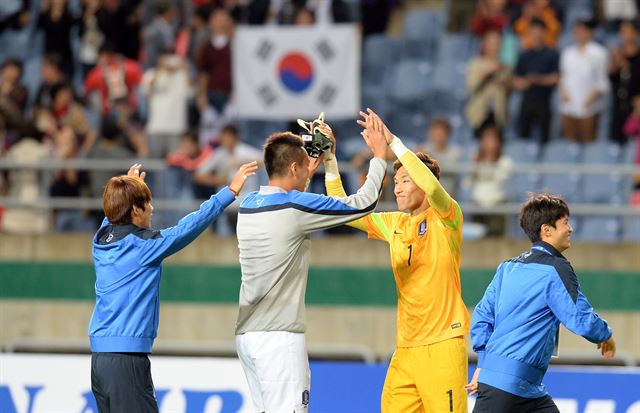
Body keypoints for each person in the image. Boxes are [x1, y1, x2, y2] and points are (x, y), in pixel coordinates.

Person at [235, 119, 388, 413]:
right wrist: (379, 157)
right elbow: (364, 204)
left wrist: (320, 156)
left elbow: (293, 182)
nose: (308, 169)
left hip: (247, 336)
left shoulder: (249, 203)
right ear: (294, 168)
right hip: (279, 339)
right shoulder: (295, 207)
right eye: (304, 166)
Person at [326, 109, 470, 413]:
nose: (397, 187)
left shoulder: (448, 217)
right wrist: (329, 160)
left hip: (442, 344)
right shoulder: (394, 223)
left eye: (406, 180)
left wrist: (392, 141)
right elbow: (341, 209)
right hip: (405, 349)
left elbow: (432, 188)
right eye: (396, 181)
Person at [89, 160, 258, 411]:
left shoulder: (101, 239)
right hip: (127, 360)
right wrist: (229, 193)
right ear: (135, 210)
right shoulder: (144, 247)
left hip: (100, 360)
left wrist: (128, 189)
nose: (152, 208)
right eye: (146, 203)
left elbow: (114, 215)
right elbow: (186, 228)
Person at [466, 193, 616, 413]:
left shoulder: (507, 268)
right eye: (565, 222)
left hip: (525, 388)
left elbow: (481, 318)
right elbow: (580, 319)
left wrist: (486, 364)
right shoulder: (556, 268)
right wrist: (605, 334)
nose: (570, 228)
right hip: (512, 388)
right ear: (547, 231)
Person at [559, 18, 609, 143]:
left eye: (582, 31)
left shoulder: (599, 53)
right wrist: (564, 92)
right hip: (569, 107)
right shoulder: (567, 53)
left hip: (589, 108)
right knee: (569, 145)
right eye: (576, 31)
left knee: (588, 143)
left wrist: (591, 98)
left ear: (589, 32)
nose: (578, 34)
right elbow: (564, 77)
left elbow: (602, 82)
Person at [512, 17, 559, 144]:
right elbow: (516, 81)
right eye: (533, 31)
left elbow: (556, 78)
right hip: (527, 101)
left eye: (539, 31)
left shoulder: (552, 54)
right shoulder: (524, 55)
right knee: (523, 139)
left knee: (545, 140)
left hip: (544, 101)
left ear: (544, 33)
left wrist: (537, 79)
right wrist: (526, 82)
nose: (536, 34)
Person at [465, 30, 511, 137]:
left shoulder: (505, 66)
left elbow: (509, 91)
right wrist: (487, 73)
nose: (495, 47)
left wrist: (506, 84)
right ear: (484, 45)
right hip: (480, 113)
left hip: (498, 113)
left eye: (497, 44)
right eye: (492, 44)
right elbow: (471, 87)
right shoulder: (475, 64)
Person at [609, 19, 640, 145]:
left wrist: (623, 63)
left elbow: (635, 75)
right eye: (622, 32)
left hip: (636, 109)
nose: (625, 35)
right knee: (616, 143)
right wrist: (616, 62)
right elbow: (612, 77)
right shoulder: (618, 54)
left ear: (636, 33)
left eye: (628, 31)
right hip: (618, 106)